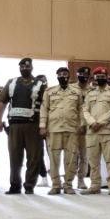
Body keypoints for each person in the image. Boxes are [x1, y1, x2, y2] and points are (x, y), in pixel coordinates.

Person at [1, 58, 46, 195]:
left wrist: (43, 126)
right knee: (14, 158)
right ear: (19, 68)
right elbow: (1, 102)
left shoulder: (41, 84)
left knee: (34, 158)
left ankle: (29, 186)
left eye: (27, 66)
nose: (24, 68)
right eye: (22, 67)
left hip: (33, 126)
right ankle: (15, 186)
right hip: (14, 126)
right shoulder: (11, 82)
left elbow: (46, 106)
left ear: (32, 67)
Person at [39, 67, 82, 195]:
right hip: (54, 129)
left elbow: (81, 109)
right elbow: (44, 109)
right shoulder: (49, 91)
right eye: (60, 74)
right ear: (57, 76)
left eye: (65, 74)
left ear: (69, 76)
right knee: (54, 159)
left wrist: (82, 124)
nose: (63, 76)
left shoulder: (76, 92)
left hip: (72, 129)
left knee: (71, 158)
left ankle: (68, 184)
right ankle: (55, 185)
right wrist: (42, 126)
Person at [81, 67, 110, 195]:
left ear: (107, 77)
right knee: (93, 161)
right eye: (98, 77)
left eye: (103, 77)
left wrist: (100, 122)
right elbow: (85, 110)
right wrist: (92, 122)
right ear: (94, 78)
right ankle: (95, 185)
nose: (100, 79)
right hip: (92, 132)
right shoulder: (90, 93)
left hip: (106, 131)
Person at [74, 66, 93, 191]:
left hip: (86, 127)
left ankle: (81, 179)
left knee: (84, 156)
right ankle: (68, 180)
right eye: (81, 74)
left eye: (86, 75)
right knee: (70, 155)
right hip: (72, 126)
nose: (83, 77)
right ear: (77, 75)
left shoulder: (93, 91)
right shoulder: (71, 88)